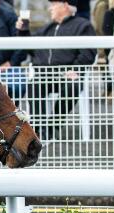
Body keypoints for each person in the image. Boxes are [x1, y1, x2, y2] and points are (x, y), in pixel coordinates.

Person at [17, 0, 96, 140]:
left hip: (68, 74)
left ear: (65, 6)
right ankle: (39, 129)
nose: (50, 8)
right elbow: (31, 48)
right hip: (44, 74)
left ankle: (52, 127)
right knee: (34, 86)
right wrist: (23, 31)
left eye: (54, 5)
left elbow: (88, 52)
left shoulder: (83, 25)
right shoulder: (48, 28)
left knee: (73, 86)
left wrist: (75, 69)